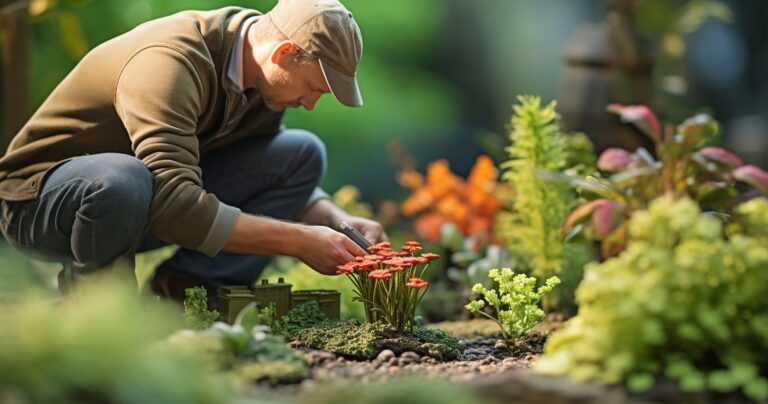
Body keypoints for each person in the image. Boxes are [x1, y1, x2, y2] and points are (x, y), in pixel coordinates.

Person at [0, 0, 387, 303]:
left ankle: (181, 290)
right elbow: (175, 208)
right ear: (284, 54)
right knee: (124, 178)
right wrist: (299, 241)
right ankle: (98, 313)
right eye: (313, 88)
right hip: (39, 202)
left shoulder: (261, 81)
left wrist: (339, 223)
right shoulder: (169, 63)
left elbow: (266, 172)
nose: (310, 103)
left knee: (302, 152)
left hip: (136, 200)